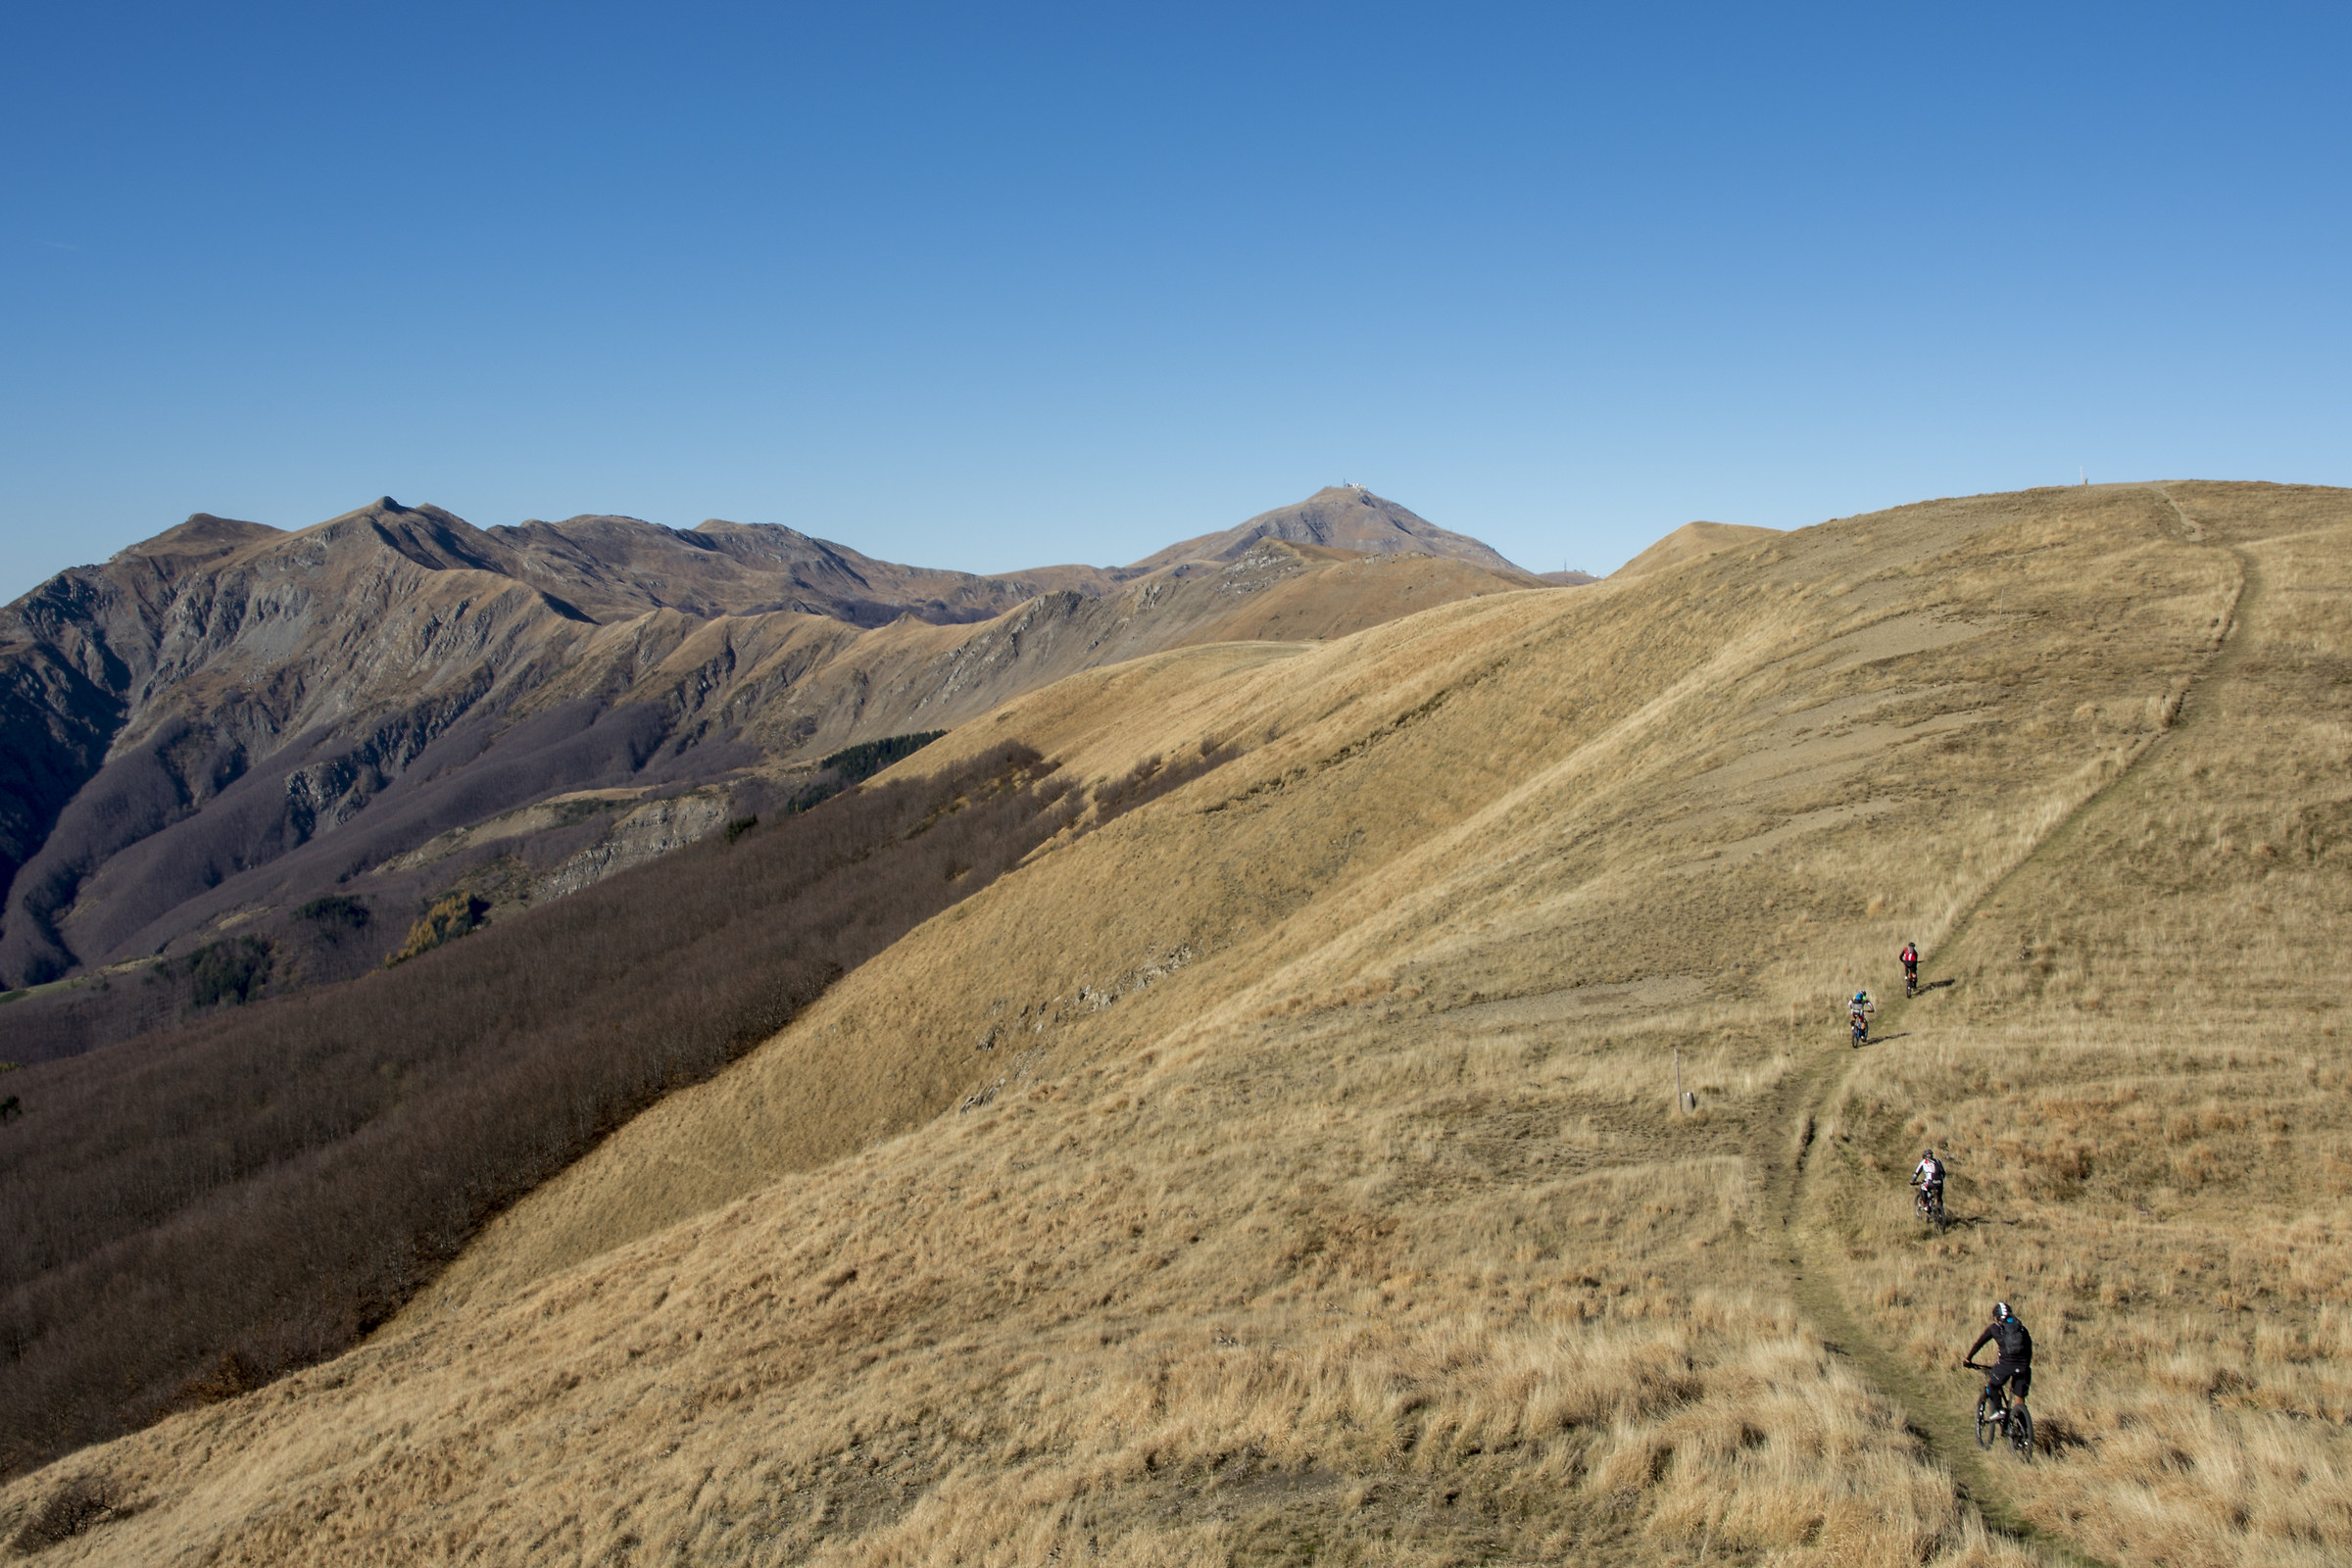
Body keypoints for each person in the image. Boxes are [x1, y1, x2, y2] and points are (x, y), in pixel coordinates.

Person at [1964, 1301, 2034, 1414]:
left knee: (1992, 1386)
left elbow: (1979, 1344)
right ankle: (2023, 1429)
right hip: (2023, 1367)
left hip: (2005, 1366)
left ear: (1997, 1318)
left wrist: (1968, 1359)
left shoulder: (1995, 1328)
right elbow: (2029, 1348)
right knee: (2020, 1400)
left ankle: (1999, 1412)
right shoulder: (2021, 1328)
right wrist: (2025, 1365)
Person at [1911, 1148, 1945, 1214]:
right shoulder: (1938, 1161)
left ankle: (1926, 1205)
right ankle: (1940, 1210)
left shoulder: (1923, 1162)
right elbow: (1943, 1173)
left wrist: (1912, 1181)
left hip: (1930, 1182)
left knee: (1923, 1187)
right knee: (1939, 1197)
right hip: (1940, 1182)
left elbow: (1916, 1173)